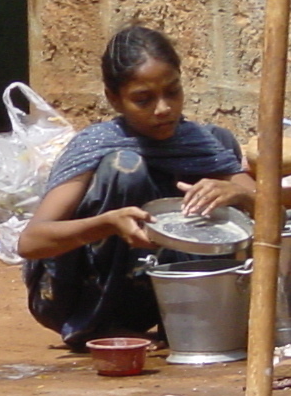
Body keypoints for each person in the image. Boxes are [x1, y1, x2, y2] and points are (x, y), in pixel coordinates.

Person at [19, 25, 256, 351]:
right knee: (126, 169)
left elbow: (272, 210)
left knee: (224, 148)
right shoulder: (97, 145)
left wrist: (240, 195)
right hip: (77, 297)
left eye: (172, 92)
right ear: (114, 99)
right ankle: (97, 329)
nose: (163, 109)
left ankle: (193, 319)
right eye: (143, 100)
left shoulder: (199, 143)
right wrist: (105, 224)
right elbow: (32, 242)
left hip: (153, 290)